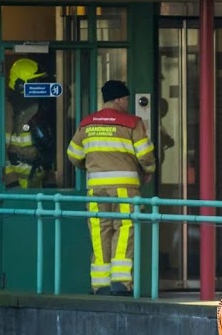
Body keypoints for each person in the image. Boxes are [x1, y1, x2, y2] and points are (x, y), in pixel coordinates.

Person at [66, 80, 156, 295]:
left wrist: (91, 166)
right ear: (119, 99)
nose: (126, 102)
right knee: (125, 229)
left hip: (96, 190)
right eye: (125, 98)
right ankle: (121, 283)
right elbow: (145, 156)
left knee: (100, 231)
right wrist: (149, 170)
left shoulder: (87, 123)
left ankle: (100, 285)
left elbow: (74, 155)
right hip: (125, 189)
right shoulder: (132, 123)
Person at [4, 58, 56, 189]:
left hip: (37, 181)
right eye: (35, 82)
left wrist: (50, 178)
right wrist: (12, 182)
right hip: (18, 185)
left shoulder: (38, 107)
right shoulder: (9, 108)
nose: (39, 86)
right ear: (21, 84)